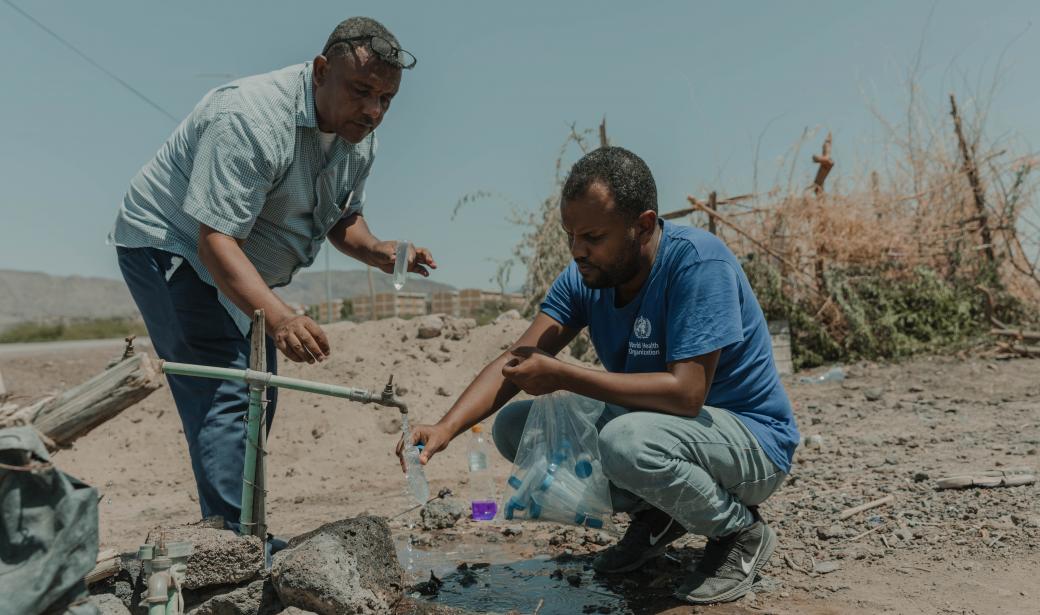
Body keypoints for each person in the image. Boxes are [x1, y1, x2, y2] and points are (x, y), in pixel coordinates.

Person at [398, 147, 799, 604]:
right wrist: (445, 428)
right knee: (516, 428)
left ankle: (739, 533)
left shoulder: (697, 265)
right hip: (665, 434)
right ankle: (660, 515)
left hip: (752, 443)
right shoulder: (585, 278)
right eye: (571, 234)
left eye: (592, 236)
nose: (577, 251)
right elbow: (518, 358)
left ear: (642, 226)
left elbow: (687, 394)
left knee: (626, 442)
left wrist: (565, 375)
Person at [112, 17, 435, 539]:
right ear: (321, 70)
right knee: (230, 391)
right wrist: (282, 317)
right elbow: (214, 239)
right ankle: (232, 546)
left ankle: (243, 535)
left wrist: (378, 250)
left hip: (236, 264)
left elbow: (338, 217)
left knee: (259, 392)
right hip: (172, 247)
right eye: (361, 91)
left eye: (387, 99)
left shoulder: (357, 136)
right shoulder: (249, 117)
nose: (374, 111)